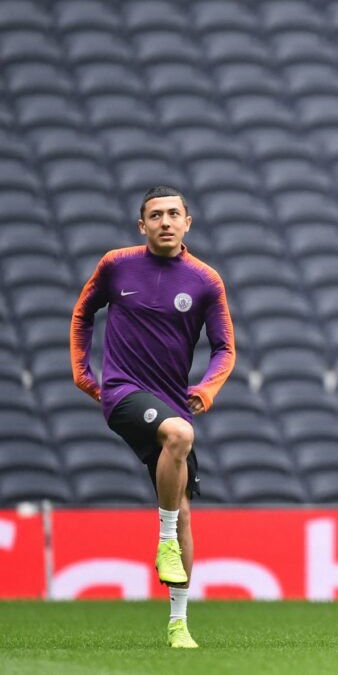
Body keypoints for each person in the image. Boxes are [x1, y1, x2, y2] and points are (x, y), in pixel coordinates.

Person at [71, 185, 236, 649]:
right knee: (180, 433)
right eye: (155, 215)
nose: (165, 222)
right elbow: (83, 313)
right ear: (141, 226)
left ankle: (179, 624)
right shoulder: (116, 264)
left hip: (171, 400)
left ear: (188, 223)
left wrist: (206, 387)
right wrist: (84, 373)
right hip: (123, 392)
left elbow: (225, 348)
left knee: (183, 508)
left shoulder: (205, 280)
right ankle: (163, 542)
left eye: (173, 214)